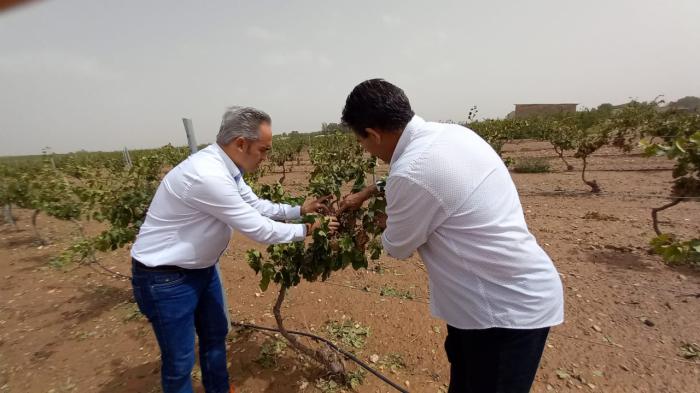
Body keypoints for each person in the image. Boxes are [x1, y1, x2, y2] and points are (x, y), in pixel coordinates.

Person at [338, 79, 563, 393]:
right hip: (497, 300)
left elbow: (397, 247)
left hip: (501, 314)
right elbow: (426, 179)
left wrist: (386, 220)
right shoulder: (453, 134)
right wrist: (365, 193)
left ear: (373, 134)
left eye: (363, 142)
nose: (367, 151)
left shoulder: (411, 172)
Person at [130, 106, 337, 393]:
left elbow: (256, 205)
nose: (266, 157)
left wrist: (299, 209)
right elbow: (259, 228)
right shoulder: (208, 175)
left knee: (215, 336)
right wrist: (309, 229)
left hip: (201, 270)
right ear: (241, 143)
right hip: (165, 278)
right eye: (263, 150)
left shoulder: (228, 169)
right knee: (179, 363)